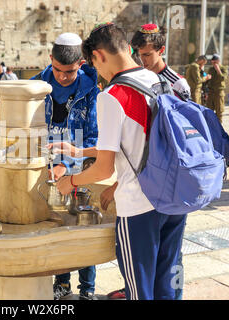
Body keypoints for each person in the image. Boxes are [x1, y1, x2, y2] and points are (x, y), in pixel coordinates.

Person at [56, 22, 187, 300]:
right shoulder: (162, 80)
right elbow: (141, 141)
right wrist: (80, 153)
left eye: (94, 64)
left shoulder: (112, 96)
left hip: (140, 207)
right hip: (174, 197)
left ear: (99, 56)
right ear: (128, 48)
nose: (98, 72)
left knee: (140, 290)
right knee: (168, 283)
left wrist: (70, 181)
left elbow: (105, 167)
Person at [31, 32, 99, 300]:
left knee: (82, 228)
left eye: (69, 72)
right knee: (56, 227)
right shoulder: (37, 84)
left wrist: (67, 164)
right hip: (46, 171)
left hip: (80, 171)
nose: (62, 77)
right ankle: (61, 285)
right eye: (58, 70)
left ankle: (88, 289)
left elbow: (93, 138)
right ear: (51, 60)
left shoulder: (90, 90)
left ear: (80, 64)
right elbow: (29, 131)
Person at [131, 24, 191, 101]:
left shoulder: (178, 84)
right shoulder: (136, 78)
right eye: (139, 55)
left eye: (147, 55)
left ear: (161, 50)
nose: (142, 60)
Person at [207, 54, 227, 123]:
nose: (213, 63)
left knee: (219, 112)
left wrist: (218, 70)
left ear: (218, 61)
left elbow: (223, 78)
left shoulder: (223, 68)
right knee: (209, 111)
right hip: (211, 92)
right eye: (212, 62)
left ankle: (219, 130)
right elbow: (208, 80)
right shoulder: (210, 69)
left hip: (219, 93)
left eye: (215, 62)